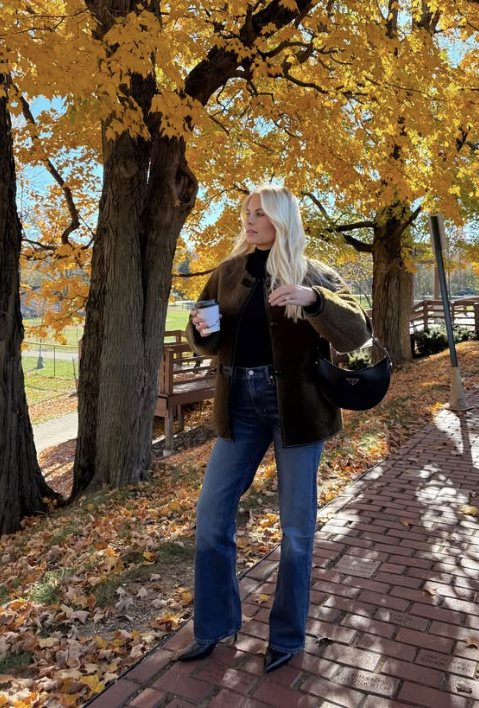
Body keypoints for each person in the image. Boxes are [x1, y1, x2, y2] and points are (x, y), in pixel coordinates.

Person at [178, 184, 371, 673]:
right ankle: (214, 626)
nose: (249, 220)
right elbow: (204, 336)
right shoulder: (225, 273)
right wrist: (200, 331)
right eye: (247, 212)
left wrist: (315, 301)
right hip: (238, 405)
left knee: (297, 531)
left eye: (259, 213)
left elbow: (358, 332)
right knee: (211, 517)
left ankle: (286, 638)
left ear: (282, 220)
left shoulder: (314, 273)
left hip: (297, 410)